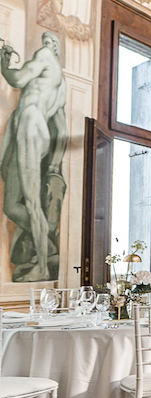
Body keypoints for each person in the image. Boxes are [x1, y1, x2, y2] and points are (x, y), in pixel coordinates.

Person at [0, 32, 67, 283]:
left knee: (31, 202)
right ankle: (47, 244)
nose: (47, 42)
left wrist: (3, 63)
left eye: (52, 40)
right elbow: (61, 129)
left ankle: (41, 267)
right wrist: (53, 161)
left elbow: (17, 79)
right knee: (11, 205)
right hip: (27, 127)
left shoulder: (45, 55)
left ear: (55, 49)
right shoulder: (60, 83)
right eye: (47, 39)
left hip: (29, 122)